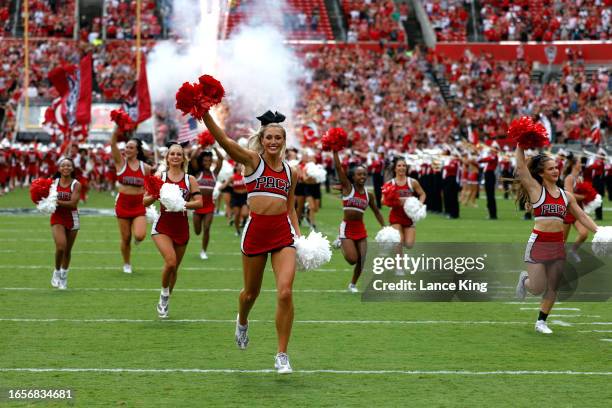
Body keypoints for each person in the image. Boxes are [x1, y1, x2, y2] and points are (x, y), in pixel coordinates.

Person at [203, 109, 300, 374]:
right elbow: (224, 141)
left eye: (278, 138)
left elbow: (290, 208)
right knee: (250, 294)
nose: (273, 142)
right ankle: (242, 320)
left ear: (283, 140)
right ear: (262, 138)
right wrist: (204, 115)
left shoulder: (292, 172)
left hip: (283, 234)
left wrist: (300, 238)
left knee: (285, 292)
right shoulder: (252, 161)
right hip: (256, 231)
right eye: (269, 137)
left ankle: (282, 354)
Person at [514, 147, 598, 334]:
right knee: (537, 288)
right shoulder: (536, 190)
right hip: (538, 243)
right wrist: (520, 144)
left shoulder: (566, 196)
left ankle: (541, 322)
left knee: (554, 285)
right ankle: (524, 280)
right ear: (541, 173)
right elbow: (521, 168)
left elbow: (582, 216)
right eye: (550, 168)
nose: (555, 171)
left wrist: (599, 231)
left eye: (556, 167)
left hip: (557, 245)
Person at [144, 143, 202, 319]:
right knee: (170, 261)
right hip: (163, 225)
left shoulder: (189, 179)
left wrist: (181, 204)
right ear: (167, 158)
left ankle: (168, 297)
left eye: (179, 154)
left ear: (183, 158)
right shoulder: (159, 177)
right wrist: (156, 195)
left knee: (174, 268)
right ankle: (163, 294)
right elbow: (144, 201)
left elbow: (199, 203)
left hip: (181, 227)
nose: (175, 157)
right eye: (172, 154)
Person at [334, 150, 384, 292]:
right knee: (352, 259)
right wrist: (334, 150)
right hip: (347, 228)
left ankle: (352, 285)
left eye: (364, 174)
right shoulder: (348, 188)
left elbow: (377, 212)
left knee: (363, 258)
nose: (362, 176)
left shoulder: (370, 195)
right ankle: (340, 241)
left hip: (360, 229)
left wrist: (385, 227)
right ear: (353, 176)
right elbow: (338, 167)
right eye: (359, 174)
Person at [110, 128, 152, 274]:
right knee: (126, 238)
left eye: (131, 147)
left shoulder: (145, 167)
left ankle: (137, 240)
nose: (127, 149)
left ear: (137, 151)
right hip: (123, 204)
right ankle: (127, 263)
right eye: (126, 147)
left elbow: (149, 186)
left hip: (138, 204)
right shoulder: (120, 163)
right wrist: (117, 127)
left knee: (140, 235)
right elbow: (113, 144)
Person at [50, 158, 81, 290]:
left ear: (72, 168)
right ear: (59, 169)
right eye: (63, 165)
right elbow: (43, 197)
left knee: (67, 251)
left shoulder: (76, 184)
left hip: (72, 218)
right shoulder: (53, 183)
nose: (66, 167)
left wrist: (55, 202)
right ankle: (56, 271)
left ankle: (64, 276)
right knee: (61, 247)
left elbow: (73, 203)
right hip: (57, 217)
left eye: (69, 165)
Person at [190, 146, 223, 260]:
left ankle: (204, 251)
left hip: (209, 206)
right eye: (205, 160)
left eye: (209, 160)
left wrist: (214, 147)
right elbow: (193, 157)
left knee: (207, 228)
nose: (207, 162)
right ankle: (202, 248)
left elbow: (221, 158)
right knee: (198, 231)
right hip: (197, 205)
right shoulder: (198, 173)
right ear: (202, 161)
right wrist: (200, 146)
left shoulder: (215, 173)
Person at [387, 158, 426, 248]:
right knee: (398, 242)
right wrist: (393, 201)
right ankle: (397, 261)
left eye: (404, 166)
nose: (402, 167)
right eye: (399, 165)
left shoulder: (412, 182)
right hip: (395, 216)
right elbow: (383, 200)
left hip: (409, 217)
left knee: (409, 245)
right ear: (395, 169)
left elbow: (422, 194)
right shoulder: (390, 183)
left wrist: (419, 204)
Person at [562, 155, 588, 262]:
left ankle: (573, 251)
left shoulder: (580, 178)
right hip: (568, 210)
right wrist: (584, 197)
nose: (581, 164)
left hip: (578, 210)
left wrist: (590, 197)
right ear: (574, 164)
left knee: (584, 233)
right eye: (579, 162)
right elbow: (569, 194)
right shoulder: (569, 178)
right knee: (562, 240)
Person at [479, 145, 499, 219]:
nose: (491, 150)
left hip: (490, 175)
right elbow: (480, 160)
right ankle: (490, 213)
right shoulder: (491, 156)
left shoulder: (494, 157)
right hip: (487, 175)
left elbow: (483, 160)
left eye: (493, 149)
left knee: (490, 196)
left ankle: (493, 214)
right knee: (488, 195)